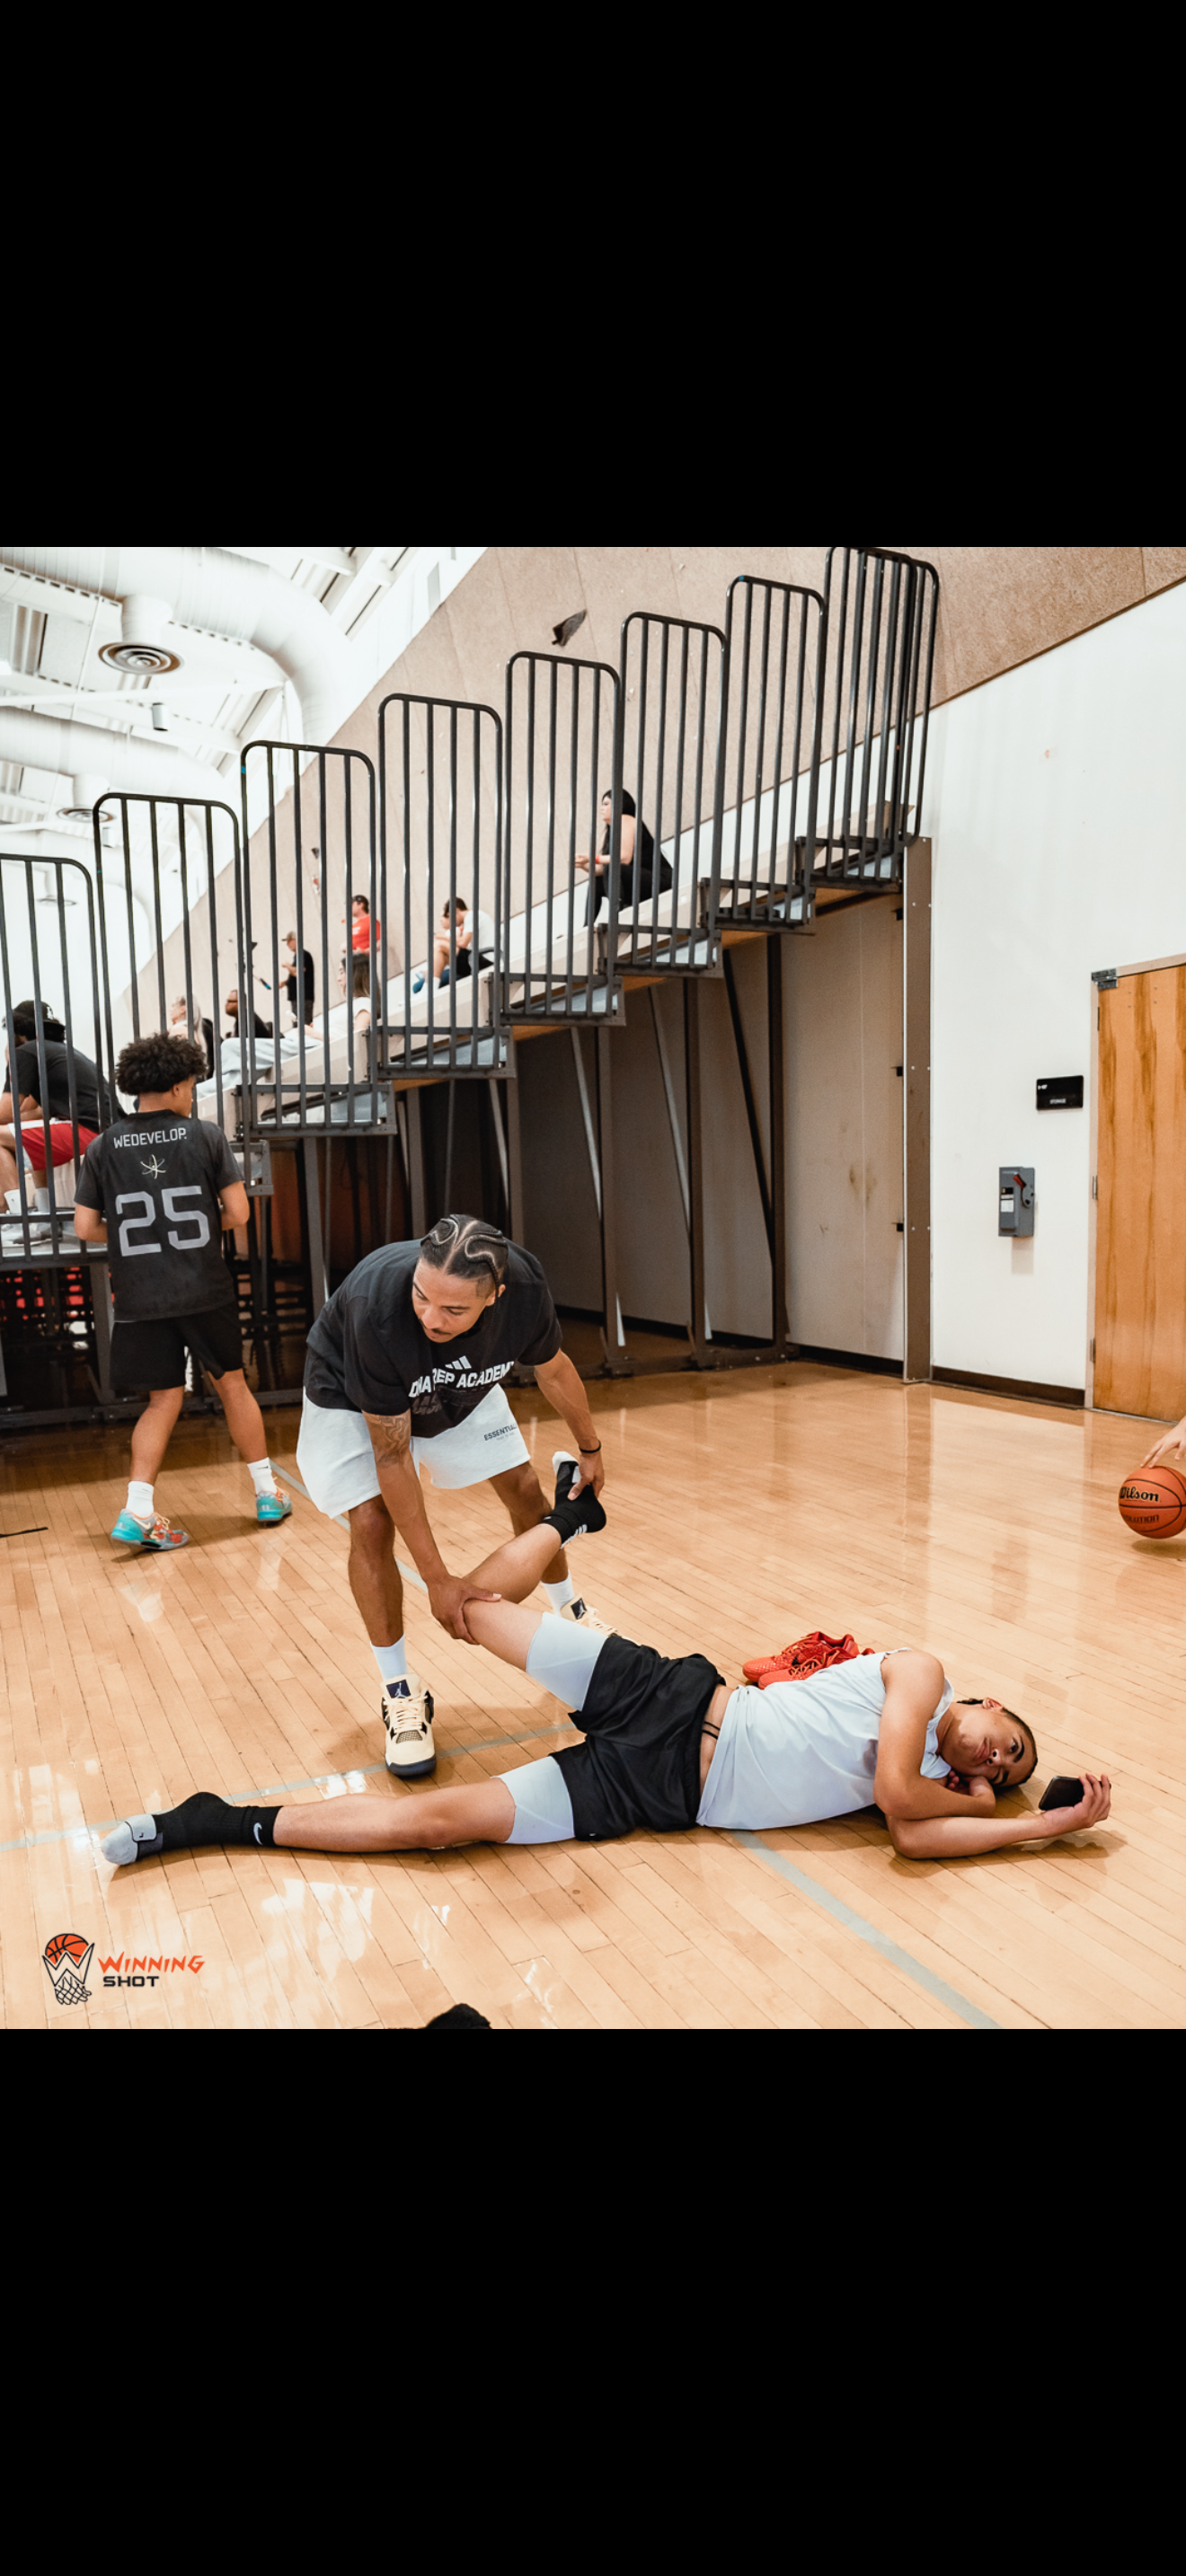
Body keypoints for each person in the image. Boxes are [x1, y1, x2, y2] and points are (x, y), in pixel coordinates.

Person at [101, 1457, 1113, 1870]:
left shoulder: (945, 1797)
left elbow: (912, 1838)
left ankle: (215, 1818)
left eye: (1002, 1764)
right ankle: (567, 1516)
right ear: (985, 1703)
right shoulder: (925, 1674)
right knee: (469, 1611)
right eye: (1007, 1738)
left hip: (657, 1783)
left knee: (438, 1824)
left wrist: (1042, 1825)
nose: (992, 1753)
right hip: (669, 1692)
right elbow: (897, 1794)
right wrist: (996, 1804)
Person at [294, 1213, 611, 1781]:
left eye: (453, 1310)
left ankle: (573, 1613)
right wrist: (437, 1578)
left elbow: (555, 1369)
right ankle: (400, 1692)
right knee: (369, 1521)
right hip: (353, 1389)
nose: (430, 1318)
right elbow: (393, 1457)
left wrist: (589, 1446)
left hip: (461, 1377)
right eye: (422, 1296)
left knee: (524, 1488)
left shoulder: (527, 1288)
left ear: (496, 1297)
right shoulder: (378, 1309)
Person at [72, 1029, 293, 1549]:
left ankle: (138, 1509)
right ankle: (266, 1493)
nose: (193, 1094)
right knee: (232, 1383)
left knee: (161, 1400)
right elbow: (237, 1212)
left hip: (139, 1295)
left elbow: (85, 1228)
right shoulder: (205, 1136)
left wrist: (136, 1240)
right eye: (191, 1084)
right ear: (174, 1085)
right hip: (203, 1288)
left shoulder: (102, 1147)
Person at [0, 998, 111, 1214]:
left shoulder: (26, 1052)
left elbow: (5, 1112)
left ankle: (16, 1216)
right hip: (104, 1131)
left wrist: (11, 1064)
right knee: (34, 1137)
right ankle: (44, 1217)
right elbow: (30, 1113)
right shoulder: (56, 1051)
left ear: (17, 1029)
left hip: (87, 1131)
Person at [575, 789, 672, 924]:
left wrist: (592, 858)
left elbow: (624, 858)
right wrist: (583, 864)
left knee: (613, 868)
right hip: (637, 882)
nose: (601, 808)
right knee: (595, 880)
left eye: (606, 804)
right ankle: (587, 925)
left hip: (659, 880)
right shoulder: (607, 833)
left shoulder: (625, 819)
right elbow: (600, 871)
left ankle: (618, 913)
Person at [415, 894, 496, 992]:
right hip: (479, 958)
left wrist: (445, 937)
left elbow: (463, 943)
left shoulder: (472, 915)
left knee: (439, 945)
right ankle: (429, 986)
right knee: (442, 955)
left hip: (486, 959)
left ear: (456, 911)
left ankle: (429, 988)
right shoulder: (468, 921)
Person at [168, 995, 215, 1076]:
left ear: (183, 1009)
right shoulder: (196, 1032)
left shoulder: (178, 1029)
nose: (170, 1010)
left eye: (173, 1006)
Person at [281, 931, 314, 1028]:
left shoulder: (303, 954)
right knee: (298, 1025)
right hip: (297, 998)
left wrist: (288, 966)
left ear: (296, 940)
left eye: (289, 941)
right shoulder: (297, 956)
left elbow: (298, 972)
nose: (287, 944)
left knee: (303, 1026)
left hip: (303, 997)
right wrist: (285, 983)